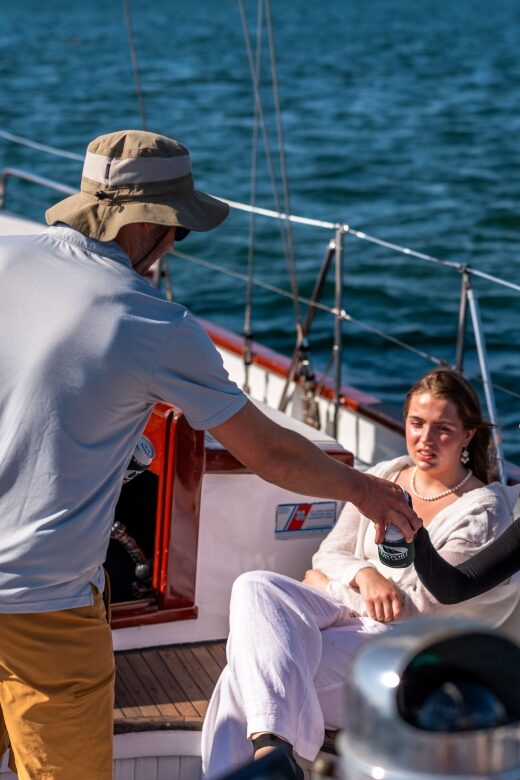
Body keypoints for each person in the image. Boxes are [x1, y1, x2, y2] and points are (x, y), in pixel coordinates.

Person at [0, 129, 418, 780]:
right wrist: (363, 490)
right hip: (44, 609)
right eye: (181, 229)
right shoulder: (151, 324)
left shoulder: (7, 258)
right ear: (153, 226)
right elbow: (271, 453)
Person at [201, 367, 520, 779]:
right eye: (417, 423)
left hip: (399, 649)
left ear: (468, 436)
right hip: (347, 616)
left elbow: (413, 607)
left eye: (443, 428)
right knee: (255, 585)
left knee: (248, 670)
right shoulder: (387, 475)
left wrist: (326, 583)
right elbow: (329, 553)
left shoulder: (479, 510)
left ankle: (267, 756)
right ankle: (272, 754)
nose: (425, 438)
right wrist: (364, 575)